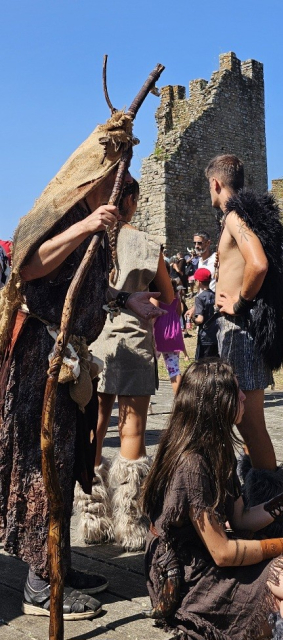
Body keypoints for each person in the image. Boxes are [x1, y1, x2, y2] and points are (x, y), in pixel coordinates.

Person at [0, 112, 165, 620]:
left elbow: (84, 288)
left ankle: (59, 565)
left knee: (71, 461)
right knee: (40, 463)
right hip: (38, 363)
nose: (118, 201)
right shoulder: (58, 215)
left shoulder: (100, 226)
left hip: (71, 359)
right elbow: (28, 265)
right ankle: (38, 582)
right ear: (94, 183)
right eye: (113, 189)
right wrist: (87, 226)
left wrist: (122, 301)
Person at [142, 359, 283, 640]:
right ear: (216, 403)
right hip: (190, 580)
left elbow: (241, 518)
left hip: (210, 562)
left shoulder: (217, 450)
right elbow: (222, 552)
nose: (244, 395)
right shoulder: (191, 464)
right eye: (236, 391)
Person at [74, 178, 173, 552]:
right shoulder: (148, 244)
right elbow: (167, 294)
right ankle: (130, 523)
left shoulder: (89, 240)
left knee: (94, 428)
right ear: (132, 201)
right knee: (132, 431)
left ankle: (91, 518)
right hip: (134, 341)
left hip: (96, 340)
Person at [205, 154, 283, 472]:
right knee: (242, 424)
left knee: (251, 427)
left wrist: (239, 304)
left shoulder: (234, 218)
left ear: (215, 183)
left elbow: (258, 264)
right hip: (238, 329)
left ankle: (269, 506)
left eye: (208, 186)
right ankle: (257, 501)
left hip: (241, 329)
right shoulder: (244, 215)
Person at [154, 279, 188, 395]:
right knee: (174, 370)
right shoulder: (176, 299)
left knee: (150, 367)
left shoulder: (158, 296)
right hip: (174, 333)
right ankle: (180, 401)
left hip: (159, 332)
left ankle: (147, 404)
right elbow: (178, 313)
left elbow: (155, 313)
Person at [193, 267, 218, 359]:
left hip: (205, 337)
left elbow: (200, 319)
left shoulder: (199, 298)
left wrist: (193, 318)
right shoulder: (215, 295)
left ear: (198, 282)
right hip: (216, 336)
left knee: (203, 364)